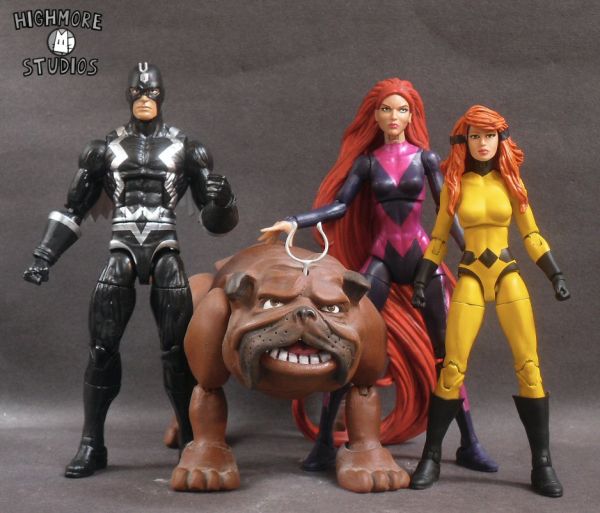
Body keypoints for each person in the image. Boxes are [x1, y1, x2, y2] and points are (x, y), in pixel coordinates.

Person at [261, 78, 496, 472]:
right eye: (386, 109)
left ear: (412, 115)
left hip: (424, 258)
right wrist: (295, 221)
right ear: (375, 115)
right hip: (383, 259)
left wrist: (472, 252)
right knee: (347, 343)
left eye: (402, 109)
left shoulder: (425, 159)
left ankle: (469, 443)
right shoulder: (368, 163)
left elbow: (447, 210)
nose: (394, 116)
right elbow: (340, 207)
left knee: (447, 355)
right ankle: (324, 443)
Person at [23, 62, 238, 478]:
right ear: (127, 94)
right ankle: (92, 443)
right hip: (121, 247)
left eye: (151, 91)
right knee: (102, 350)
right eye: (137, 91)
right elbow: (74, 208)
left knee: (179, 352)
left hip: (164, 246)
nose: (144, 97)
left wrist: (224, 200)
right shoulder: (103, 149)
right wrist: (43, 256)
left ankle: (190, 440)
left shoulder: (187, 148)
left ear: (162, 94)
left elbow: (213, 222)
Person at [409, 105, 569, 498]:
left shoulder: (511, 182)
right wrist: (421, 278)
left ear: (501, 139)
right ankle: (431, 456)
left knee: (529, 367)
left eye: (490, 135)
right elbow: (439, 239)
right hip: (471, 275)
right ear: (464, 141)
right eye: (476, 136)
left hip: (506, 273)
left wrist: (555, 274)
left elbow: (531, 234)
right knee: (452, 368)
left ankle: (542, 462)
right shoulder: (454, 185)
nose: (483, 143)